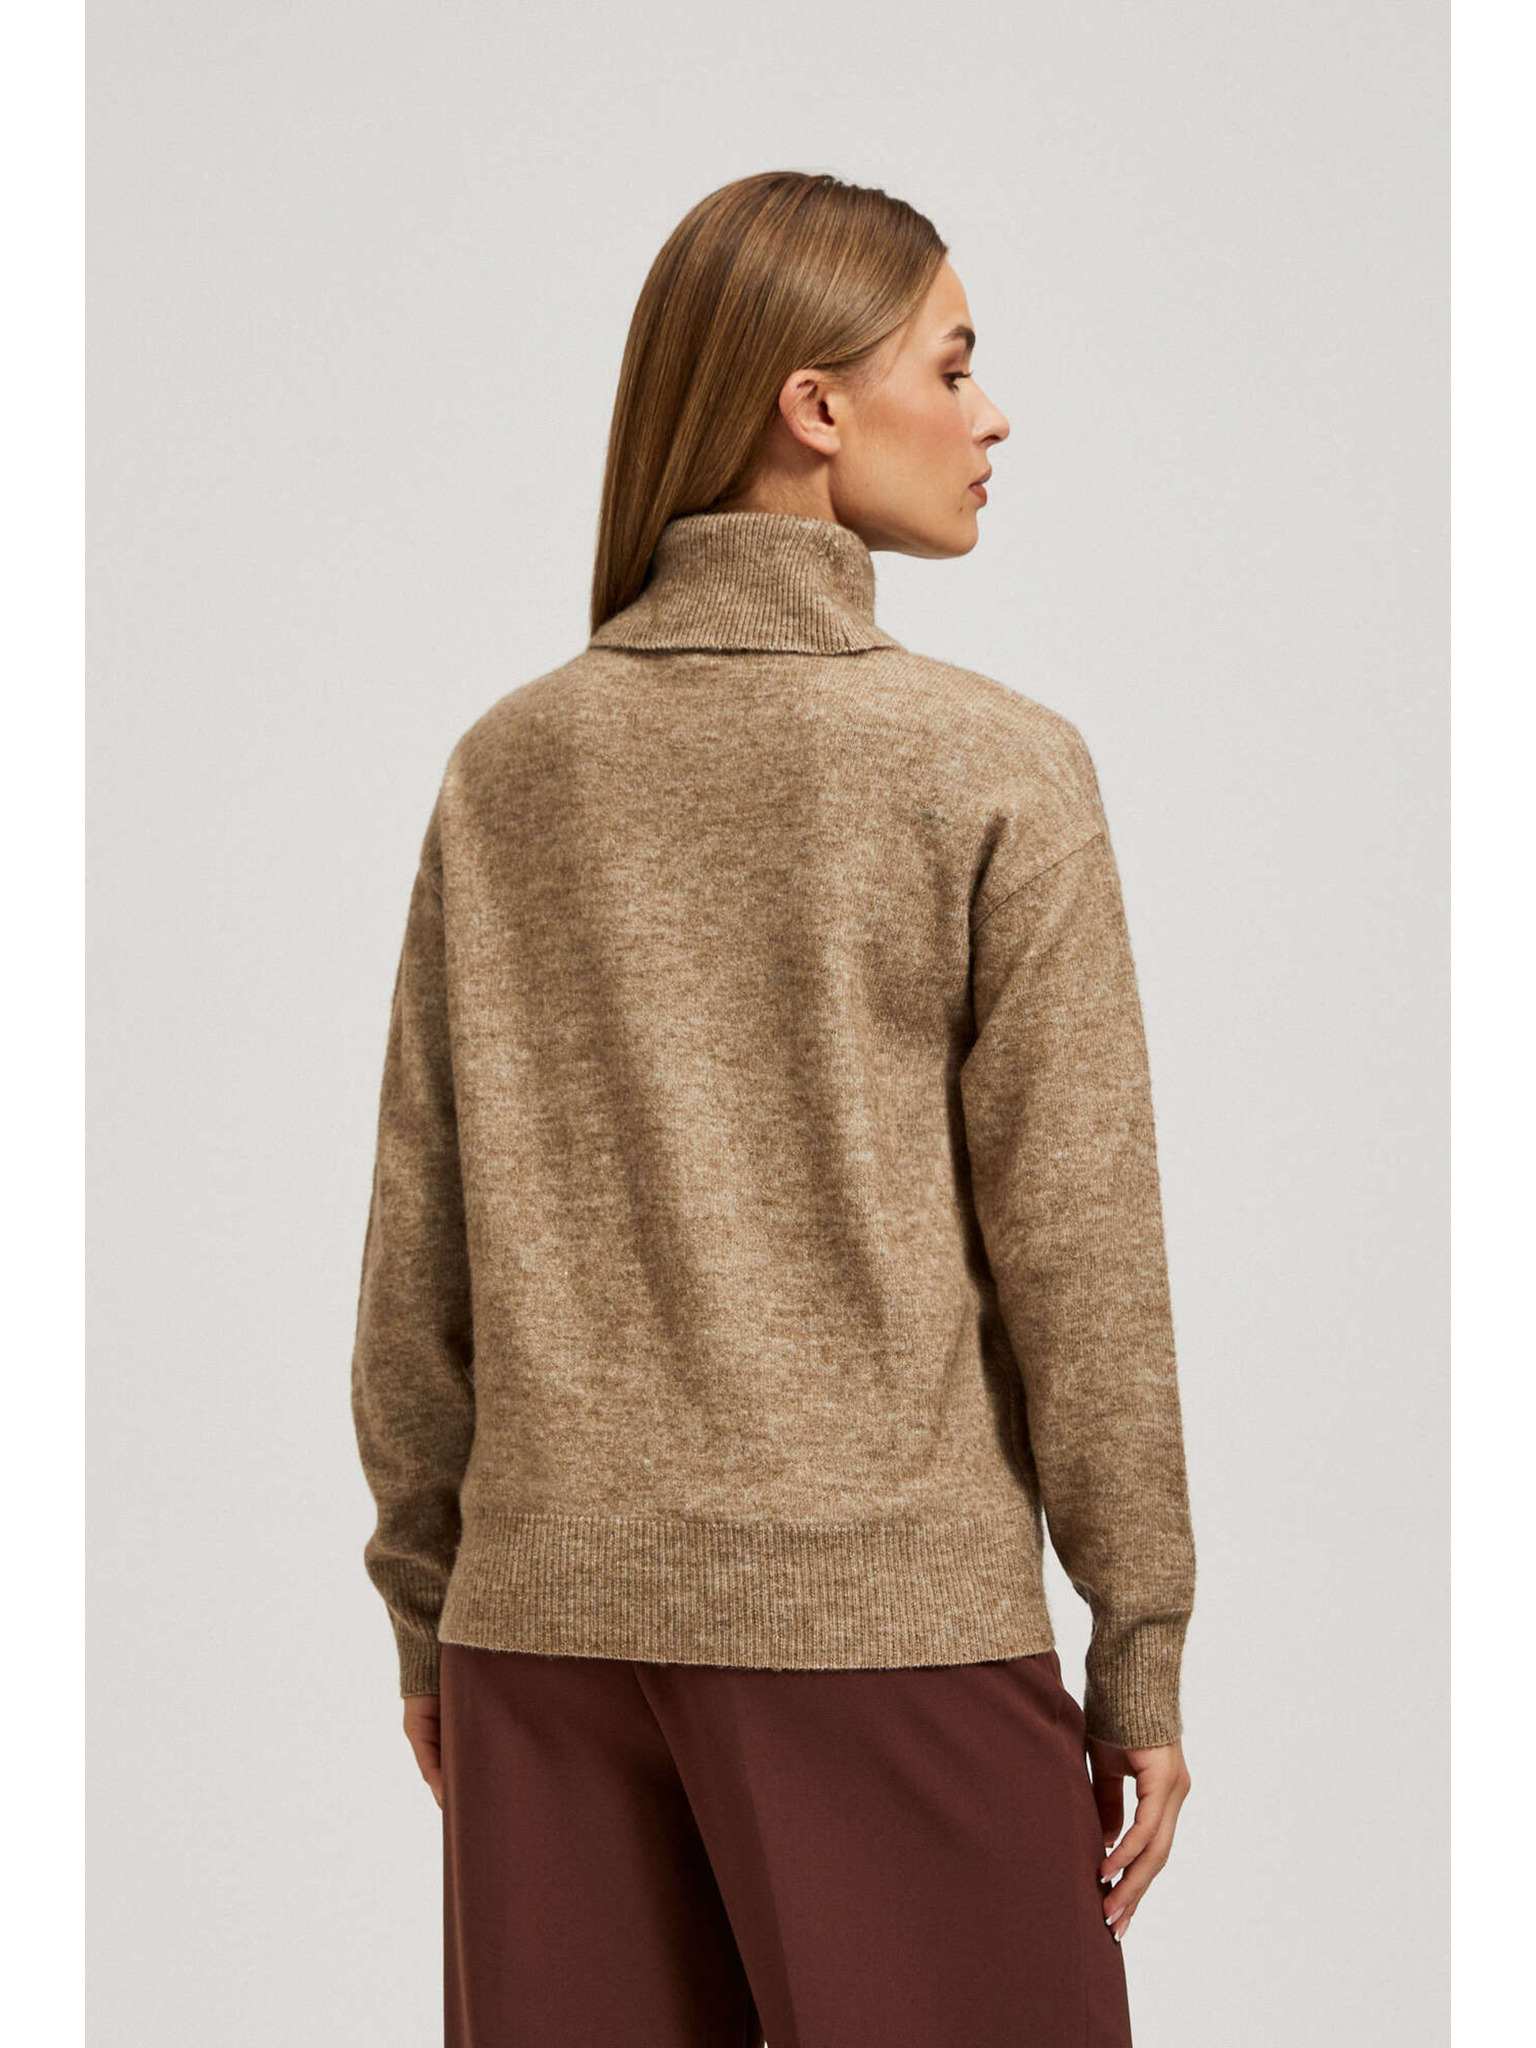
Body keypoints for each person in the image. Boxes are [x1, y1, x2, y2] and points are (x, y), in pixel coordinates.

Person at [350, 168, 1197, 2047]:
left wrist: (434, 1606)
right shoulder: (991, 767)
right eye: (952, 366)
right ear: (814, 407)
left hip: (541, 1637)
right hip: (877, 1627)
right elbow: (1079, 1252)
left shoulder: (511, 765)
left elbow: (421, 1248)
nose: (991, 416)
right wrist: (1138, 1643)